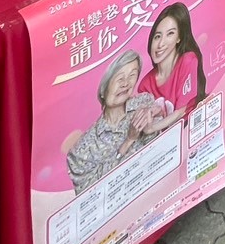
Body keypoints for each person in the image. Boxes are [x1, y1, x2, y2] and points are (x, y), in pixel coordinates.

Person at [64, 50, 157, 194]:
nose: (125, 83)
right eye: (120, 78)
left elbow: (160, 152)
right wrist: (128, 142)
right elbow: (89, 196)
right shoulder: (81, 150)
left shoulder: (144, 103)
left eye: (132, 76)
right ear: (103, 89)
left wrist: (151, 128)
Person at [134, 3, 207, 135]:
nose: (161, 44)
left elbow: (180, 111)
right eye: (157, 36)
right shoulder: (144, 85)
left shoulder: (188, 61)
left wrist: (152, 128)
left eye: (170, 34)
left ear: (179, 38)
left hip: (192, 131)